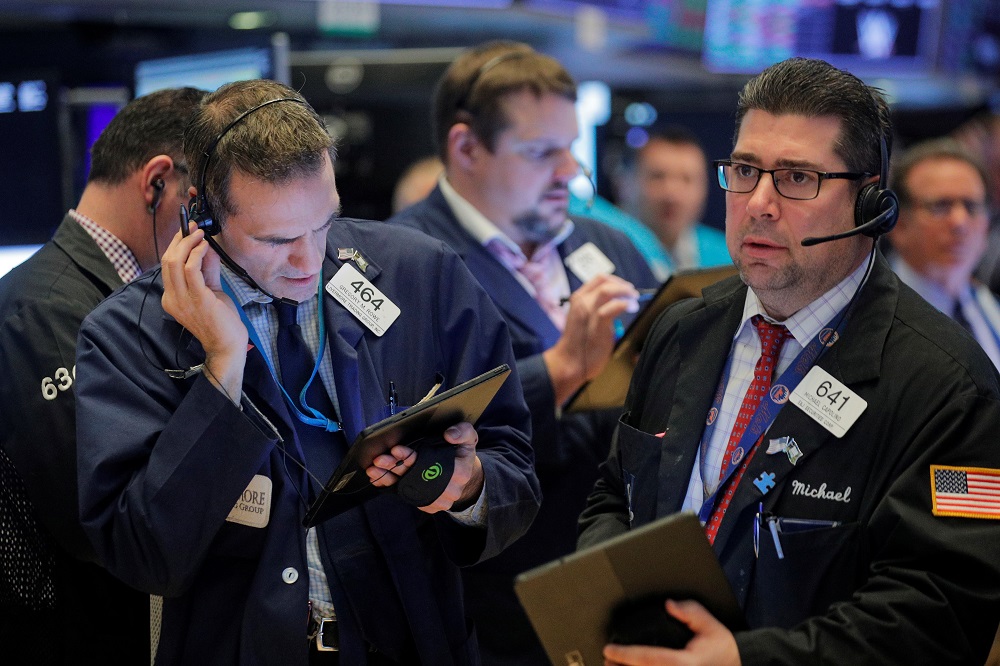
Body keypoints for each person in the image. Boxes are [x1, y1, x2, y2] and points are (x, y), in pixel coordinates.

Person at [74, 79, 540, 665]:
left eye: (324, 224)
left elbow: (515, 465)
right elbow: (143, 553)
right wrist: (222, 369)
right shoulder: (129, 336)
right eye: (276, 239)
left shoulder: (420, 274)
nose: (309, 260)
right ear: (200, 214)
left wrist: (469, 488)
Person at [578, 57, 1000, 665]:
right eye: (746, 170)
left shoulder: (953, 388)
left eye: (797, 178)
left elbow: (943, 613)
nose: (758, 203)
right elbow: (616, 496)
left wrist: (746, 660)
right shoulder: (681, 328)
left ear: (870, 203)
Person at [389, 41, 658, 665]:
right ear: (465, 148)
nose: (571, 172)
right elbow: (407, 443)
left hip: (615, 584)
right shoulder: (401, 262)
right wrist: (559, 373)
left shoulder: (610, 246)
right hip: (484, 612)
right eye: (541, 152)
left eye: (571, 147)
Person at [0, 86, 205, 664]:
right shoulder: (42, 311)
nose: (213, 233)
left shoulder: (128, 299)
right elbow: (107, 527)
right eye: (206, 205)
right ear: (158, 183)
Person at [886, 137, 1000, 368]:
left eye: (971, 207)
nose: (959, 222)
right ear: (899, 224)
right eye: (940, 206)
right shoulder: (870, 313)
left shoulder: (989, 306)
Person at [634, 126, 731, 278]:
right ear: (625, 182)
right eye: (658, 177)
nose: (672, 194)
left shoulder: (729, 259)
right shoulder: (606, 247)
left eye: (687, 179)